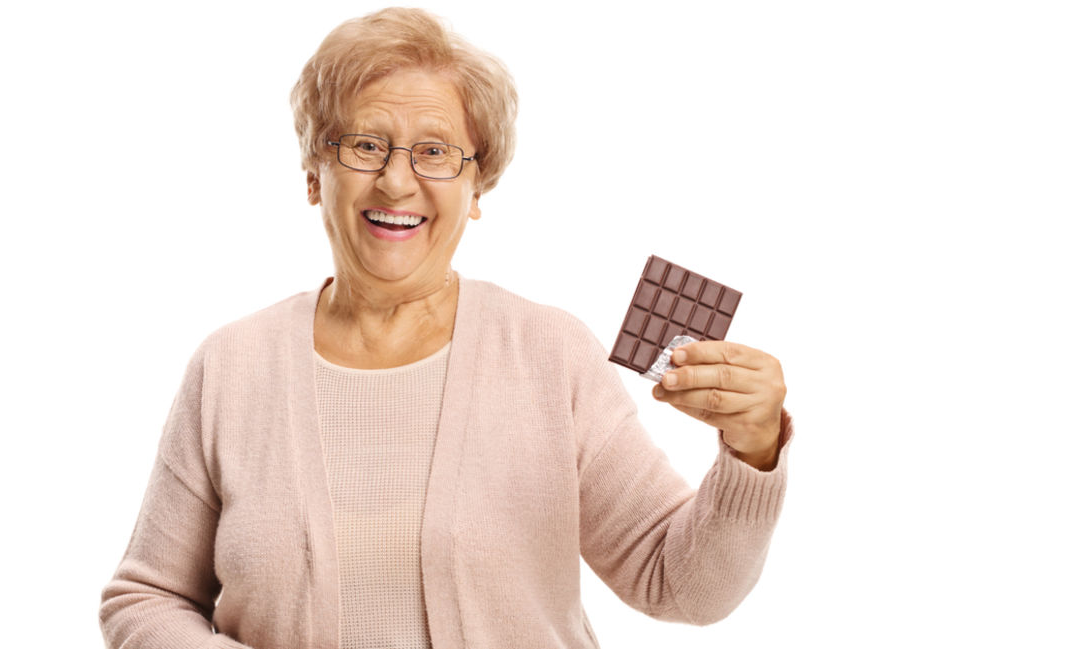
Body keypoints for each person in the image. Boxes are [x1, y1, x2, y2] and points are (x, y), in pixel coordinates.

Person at [99, 7, 792, 649]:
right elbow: (145, 596)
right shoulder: (231, 367)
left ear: (477, 188)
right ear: (315, 173)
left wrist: (753, 449)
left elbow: (682, 585)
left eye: (435, 152)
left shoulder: (547, 354)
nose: (397, 182)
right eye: (365, 145)